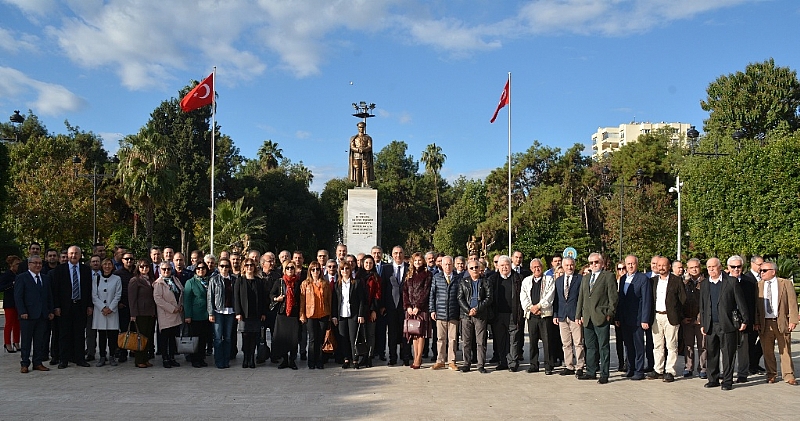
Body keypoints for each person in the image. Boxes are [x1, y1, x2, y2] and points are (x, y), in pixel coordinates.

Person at [699, 257, 748, 391]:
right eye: (709, 267)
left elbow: (740, 302)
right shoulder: (704, 284)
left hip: (727, 324)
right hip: (710, 324)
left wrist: (744, 320)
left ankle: (727, 381)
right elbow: (702, 306)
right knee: (711, 353)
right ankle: (713, 379)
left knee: (728, 354)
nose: (711, 270)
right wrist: (703, 323)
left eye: (714, 267)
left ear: (720, 267)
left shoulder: (731, 282)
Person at [576, 252, 618, 384]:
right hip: (587, 317)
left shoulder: (608, 276)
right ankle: (591, 371)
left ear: (602, 263)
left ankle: (604, 373)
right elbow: (581, 298)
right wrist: (578, 315)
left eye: (596, 262)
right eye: (591, 263)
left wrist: (609, 313)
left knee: (603, 346)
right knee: (589, 346)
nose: (594, 265)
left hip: (601, 316)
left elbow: (613, 297)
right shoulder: (586, 278)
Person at [754, 260, 798, 385]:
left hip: (781, 321)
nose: (761, 273)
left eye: (764, 270)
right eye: (760, 270)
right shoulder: (758, 285)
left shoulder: (785, 284)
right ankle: (771, 374)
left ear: (773, 272)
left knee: (785, 350)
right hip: (765, 323)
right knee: (767, 351)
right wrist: (756, 322)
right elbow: (756, 306)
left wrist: (793, 320)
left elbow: (793, 303)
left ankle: (788, 375)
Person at [51, 245, 92, 369]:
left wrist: (89, 305)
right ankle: (64, 360)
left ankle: (80, 359)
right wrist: (56, 306)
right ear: (67, 255)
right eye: (71, 253)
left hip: (80, 306)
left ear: (80, 255)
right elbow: (55, 290)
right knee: (64, 334)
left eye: (76, 253)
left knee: (79, 333)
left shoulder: (86, 270)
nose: (73, 256)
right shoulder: (59, 270)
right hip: (65, 307)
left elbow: (89, 289)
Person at [646, 256, 685, 382]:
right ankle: (658, 369)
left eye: (664, 265)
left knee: (671, 345)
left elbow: (683, 299)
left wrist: (679, 315)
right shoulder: (652, 281)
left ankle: (670, 371)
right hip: (656, 316)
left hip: (671, 317)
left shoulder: (676, 280)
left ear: (669, 266)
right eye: (659, 265)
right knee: (657, 345)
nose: (661, 268)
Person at [14, 255, 54, 373]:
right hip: (27, 315)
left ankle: (37, 362)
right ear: (29, 264)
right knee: (26, 341)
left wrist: (50, 310)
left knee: (39, 340)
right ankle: (25, 363)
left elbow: (49, 296)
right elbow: (18, 296)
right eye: (35, 263)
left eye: (40, 263)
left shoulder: (45, 278)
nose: (38, 265)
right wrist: (22, 311)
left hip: (42, 315)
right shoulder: (22, 278)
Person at [615, 255, 652, 380]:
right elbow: (621, 299)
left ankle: (639, 370)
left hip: (638, 318)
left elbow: (647, 300)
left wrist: (645, 319)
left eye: (633, 263)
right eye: (628, 264)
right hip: (625, 318)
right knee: (628, 345)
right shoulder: (623, 278)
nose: (630, 266)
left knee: (638, 345)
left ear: (637, 264)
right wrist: (618, 317)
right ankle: (630, 368)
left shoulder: (643, 279)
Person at [520, 258, 555, 374]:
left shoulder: (549, 280)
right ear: (531, 269)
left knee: (547, 341)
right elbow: (523, 297)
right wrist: (531, 308)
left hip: (544, 314)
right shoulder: (526, 281)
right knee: (533, 341)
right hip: (532, 315)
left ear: (542, 267)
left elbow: (550, 296)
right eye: (534, 267)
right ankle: (534, 364)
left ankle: (548, 366)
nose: (537, 269)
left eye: (538, 266)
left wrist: (539, 306)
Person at [488, 255, 523, 371]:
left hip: (513, 314)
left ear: (510, 265)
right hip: (498, 314)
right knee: (500, 340)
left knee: (513, 339)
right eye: (502, 265)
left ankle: (513, 363)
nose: (504, 267)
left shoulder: (517, 278)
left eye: (506, 265)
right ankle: (503, 362)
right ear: (498, 266)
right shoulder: (493, 279)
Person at [457, 260, 492, 373]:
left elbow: (489, 298)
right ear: (468, 269)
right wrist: (468, 310)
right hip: (466, 315)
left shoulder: (486, 281)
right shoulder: (463, 282)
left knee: (481, 341)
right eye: (471, 268)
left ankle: (480, 365)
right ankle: (467, 363)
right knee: (466, 341)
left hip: (480, 315)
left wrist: (477, 308)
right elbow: (460, 298)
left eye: (476, 267)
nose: (474, 270)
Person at [553, 257, 584, 376]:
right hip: (562, 315)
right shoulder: (559, 280)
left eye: (571, 265)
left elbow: (582, 299)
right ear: (563, 266)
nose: (569, 267)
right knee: (566, 343)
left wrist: (580, 314)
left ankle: (580, 366)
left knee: (578, 343)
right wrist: (555, 314)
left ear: (574, 266)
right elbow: (556, 299)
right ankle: (569, 366)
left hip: (575, 315)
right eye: (567, 265)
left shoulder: (580, 279)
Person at [332, 262, 366, 369]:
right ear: (340, 271)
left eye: (347, 269)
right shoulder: (337, 284)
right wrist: (334, 316)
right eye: (342, 269)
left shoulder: (356, 283)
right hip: (341, 314)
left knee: (353, 338)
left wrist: (361, 315)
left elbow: (361, 300)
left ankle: (355, 359)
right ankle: (346, 359)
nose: (345, 271)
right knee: (343, 338)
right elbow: (334, 301)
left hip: (353, 314)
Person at [429, 256, 461, 371]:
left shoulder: (458, 278)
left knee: (452, 339)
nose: (448, 266)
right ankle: (440, 361)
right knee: (440, 338)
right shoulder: (437, 277)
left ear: (453, 265)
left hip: (453, 313)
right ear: (441, 265)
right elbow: (432, 295)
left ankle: (452, 361)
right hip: (440, 313)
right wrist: (432, 310)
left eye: (450, 264)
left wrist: (460, 313)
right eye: (445, 264)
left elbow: (460, 297)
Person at [299, 261, 332, 369]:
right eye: (313, 269)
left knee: (321, 338)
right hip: (310, 314)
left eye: (317, 269)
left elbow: (329, 300)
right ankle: (311, 361)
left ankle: (319, 361)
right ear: (309, 271)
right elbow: (302, 301)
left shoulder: (325, 283)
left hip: (323, 313)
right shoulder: (305, 284)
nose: (315, 272)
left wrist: (330, 315)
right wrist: (302, 314)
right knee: (312, 339)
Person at [235, 257, 266, 369]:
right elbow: (236, 298)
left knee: (254, 337)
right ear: (244, 267)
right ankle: (245, 358)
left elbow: (263, 298)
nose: (249, 267)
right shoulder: (240, 280)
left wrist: (263, 313)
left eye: (251, 265)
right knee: (245, 337)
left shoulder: (259, 281)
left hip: (256, 314)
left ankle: (252, 358)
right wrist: (238, 312)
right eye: (247, 265)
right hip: (244, 314)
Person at [402, 253, 432, 369]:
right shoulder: (409, 274)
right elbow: (405, 291)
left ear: (423, 261)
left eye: (420, 260)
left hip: (421, 308)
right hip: (410, 309)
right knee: (413, 333)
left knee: (421, 334)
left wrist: (418, 306)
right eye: (415, 261)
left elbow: (426, 292)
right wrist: (408, 306)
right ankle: (415, 356)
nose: (417, 262)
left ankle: (419, 357)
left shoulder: (427, 275)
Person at [382, 246, 410, 366]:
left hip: (405, 306)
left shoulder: (409, 268)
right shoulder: (386, 268)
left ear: (404, 254)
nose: (398, 255)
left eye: (400, 253)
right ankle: (392, 357)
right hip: (391, 305)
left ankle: (406, 357)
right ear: (392, 255)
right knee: (392, 333)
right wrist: (383, 305)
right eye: (395, 253)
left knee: (406, 332)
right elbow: (383, 287)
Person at [270, 262, 301, 370]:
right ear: (284, 270)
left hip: (294, 314)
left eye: (292, 267)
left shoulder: (298, 282)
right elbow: (271, 294)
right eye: (287, 268)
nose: (289, 269)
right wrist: (276, 298)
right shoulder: (280, 281)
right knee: (282, 339)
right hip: (282, 313)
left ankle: (292, 360)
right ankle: (284, 360)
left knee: (293, 338)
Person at [736, 255, 763, 380]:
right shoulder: (746, 279)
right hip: (747, 319)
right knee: (748, 344)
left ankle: (754, 364)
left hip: (759, 317)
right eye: (759, 264)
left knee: (760, 343)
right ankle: (749, 366)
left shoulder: (763, 277)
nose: (761, 267)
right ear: (752, 264)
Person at [91, 258, 122, 367]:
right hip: (101, 312)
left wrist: (110, 308)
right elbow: (94, 296)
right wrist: (103, 307)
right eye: (105, 264)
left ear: (112, 266)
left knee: (113, 335)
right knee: (102, 335)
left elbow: (118, 295)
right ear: (102, 266)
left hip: (112, 311)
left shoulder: (117, 279)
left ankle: (112, 356)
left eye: (109, 264)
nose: (107, 266)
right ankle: (102, 356)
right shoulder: (96, 279)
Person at [153, 262, 184, 368]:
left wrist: (180, 306)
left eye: (168, 269)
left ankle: (172, 357)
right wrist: (171, 308)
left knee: (173, 337)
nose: (166, 271)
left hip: (176, 313)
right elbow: (158, 298)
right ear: (160, 270)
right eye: (164, 269)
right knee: (164, 338)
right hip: (166, 314)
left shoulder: (175, 280)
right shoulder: (158, 283)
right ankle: (165, 358)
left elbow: (181, 292)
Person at [128, 259, 156, 368]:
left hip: (150, 312)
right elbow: (132, 299)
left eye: (146, 266)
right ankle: (139, 360)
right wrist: (133, 314)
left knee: (148, 337)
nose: (144, 268)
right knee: (141, 337)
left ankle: (145, 359)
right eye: (142, 267)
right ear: (138, 268)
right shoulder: (135, 280)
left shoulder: (152, 280)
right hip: (140, 313)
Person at [207, 260, 234, 369]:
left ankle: (226, 360)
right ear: (218, 267)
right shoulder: (214, 280)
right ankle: (219, 361)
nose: (224, 268)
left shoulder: (234, 280)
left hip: (230, 312)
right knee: (218, 338)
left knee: (227, 338)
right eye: (222, 266)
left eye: (226, 266)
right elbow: (210, 297)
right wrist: (210, 312)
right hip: (218, 312)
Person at [183, 260, 210, 368]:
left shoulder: (209, 281)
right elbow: (187, 300)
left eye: (203, 268)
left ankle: (202, 358)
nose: (201, 270)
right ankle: (195, 359)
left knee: (204, 338)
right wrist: (188, 315)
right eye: (198, 268)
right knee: (195, 338)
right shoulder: (191, 282)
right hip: (195, 315)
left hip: (206, 314)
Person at [682, 257, 706, 378]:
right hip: (687, 318)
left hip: (700, 319)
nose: (694, 269)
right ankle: (688, 366)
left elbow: (706, 302)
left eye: (696, 267)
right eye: (691, 268)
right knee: (688, 344)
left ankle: (703, 368)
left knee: (703, 345)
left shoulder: (705, 282)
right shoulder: (684, 283)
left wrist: (700, 318)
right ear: (687, 269)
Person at [356, 255, 382, 367]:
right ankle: (363, 355)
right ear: (362, 264)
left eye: (370, 263)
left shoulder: (376, 277)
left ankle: (369, 357)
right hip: (361, 310)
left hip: (371, 309)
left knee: (371, 334)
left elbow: (378, 295)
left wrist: (374, 310)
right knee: (362, 334)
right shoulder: (358, 276)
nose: (368, 265)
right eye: (366, 263)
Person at [1, 255, 22, 353]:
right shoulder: (6, 275)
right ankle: (7, 343)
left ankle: (16, 342)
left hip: (18, 302)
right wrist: (11, 284)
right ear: (11, 264)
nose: (18, 266)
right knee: (9, 323)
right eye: (16, 264)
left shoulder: (19, 274)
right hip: (9, 302)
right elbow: (1, 288)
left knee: (17, 323)